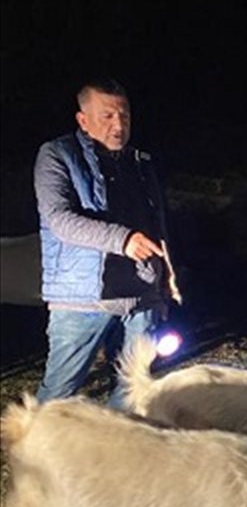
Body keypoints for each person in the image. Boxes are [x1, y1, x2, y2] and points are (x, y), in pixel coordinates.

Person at [34, 79, 173, 408]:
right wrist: (122, 240)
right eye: (107, 116)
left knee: (134, 390)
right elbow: (60, 220)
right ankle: (30, 448)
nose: (118, 125)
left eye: (124, 116)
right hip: (81, 299)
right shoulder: (57, 155)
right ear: (83, 119)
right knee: (57, 393)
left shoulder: (141, 162)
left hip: (142, 296)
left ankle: (114, 450)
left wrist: (165, 284)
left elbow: (159, 225)